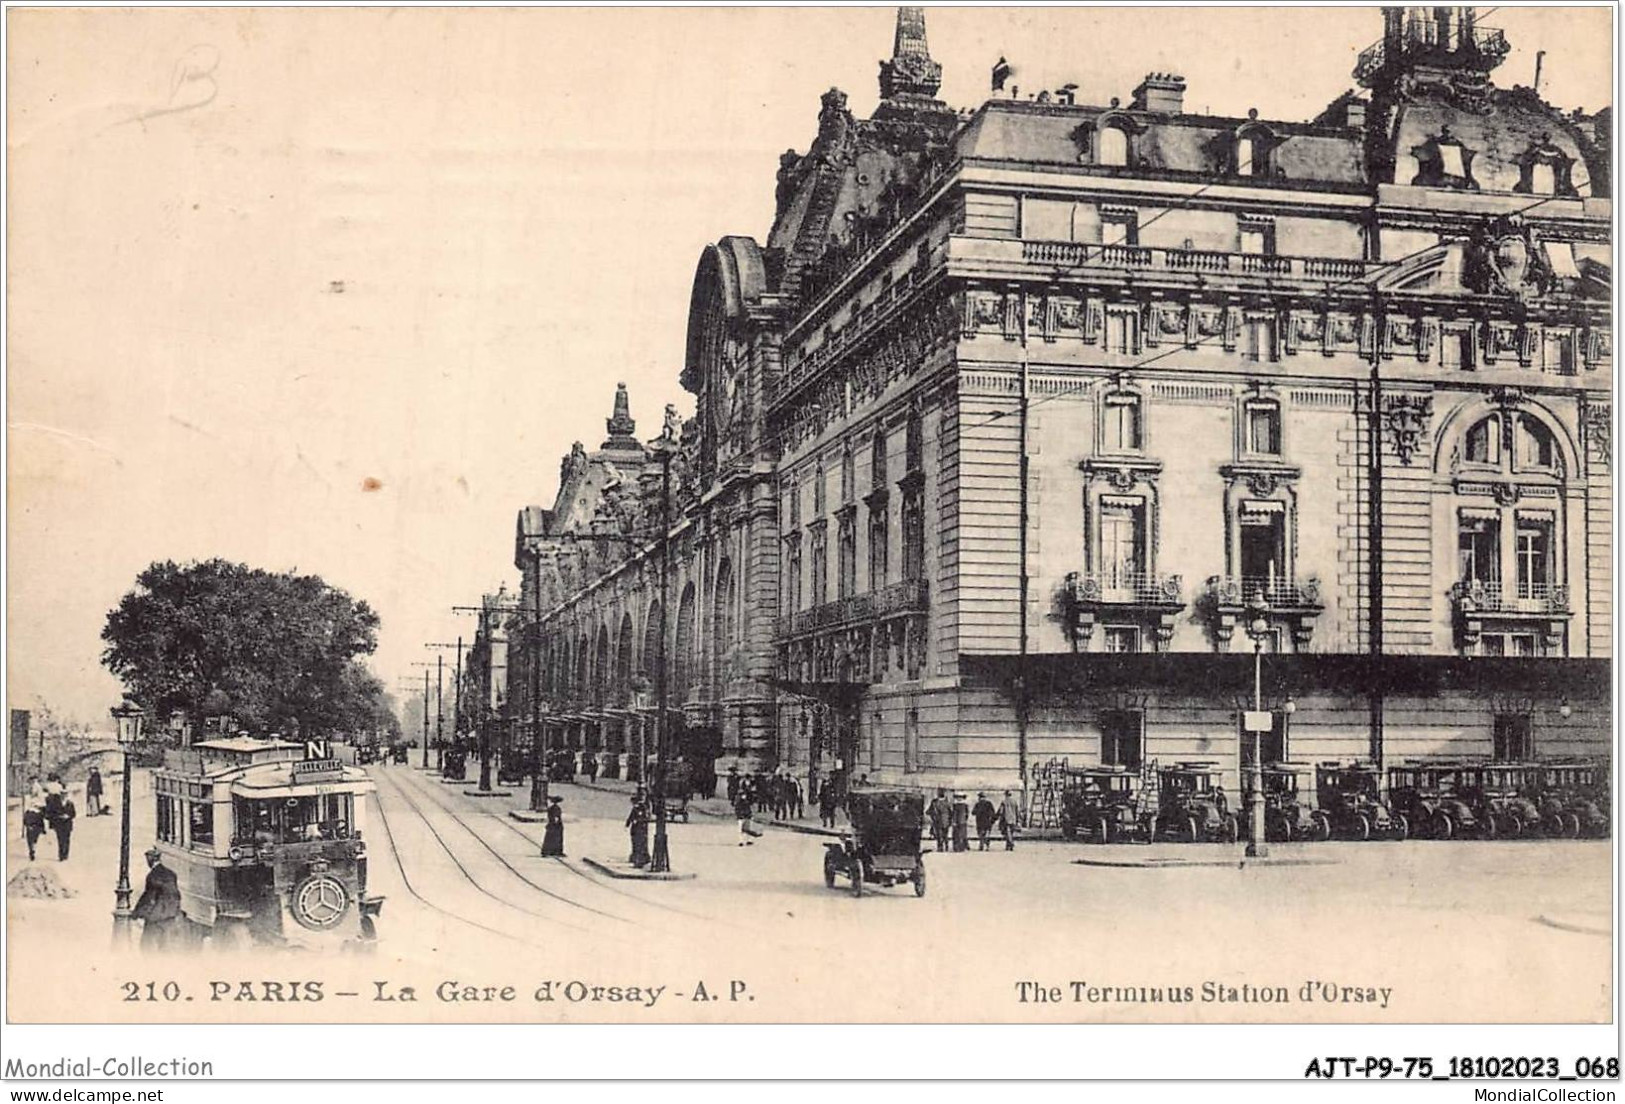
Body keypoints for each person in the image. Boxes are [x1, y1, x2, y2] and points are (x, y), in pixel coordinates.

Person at [131, 847, 183, 950]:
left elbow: (148, 897)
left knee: (146, 946)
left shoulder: (152, 876)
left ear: (150, 860)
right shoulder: (171, 874)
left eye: (148, 859)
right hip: (170, 915)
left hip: (156, 917)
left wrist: (136, 913)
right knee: (165, 947)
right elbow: (175, 894)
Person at [44, 787, 75, 861]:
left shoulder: (70, 803)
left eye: (65, 794)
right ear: (60, 795)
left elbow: (73, 814)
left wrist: (68, 816)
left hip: (67, 823)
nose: (64, 796)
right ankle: (61, 855)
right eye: (62, 794)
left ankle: (66, 854)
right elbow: (52, 813)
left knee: (67, 839)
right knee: (60, 839)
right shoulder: (55, 804)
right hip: (59, 824)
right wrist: (58, 816)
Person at [625, 794, 650, 868]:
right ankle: (637, 859)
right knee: (636, 844)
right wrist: (628, 824)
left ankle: (639, 861)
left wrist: (636, 821)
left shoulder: (641, 808)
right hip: (635, 830)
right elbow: (630, 817)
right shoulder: (636, 808)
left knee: (638, 845)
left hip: (639, 830)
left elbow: (643, 818)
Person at [927, 788, 952, 853]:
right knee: (945, 834)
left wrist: (932, 816)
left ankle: (940, 847)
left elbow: (928, 811)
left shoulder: (934, 802)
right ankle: (946, 846)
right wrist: (950, 820)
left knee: (939, 835)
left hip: (938, 821)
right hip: (946, 821)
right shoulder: (947, 802)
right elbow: (951, 812)